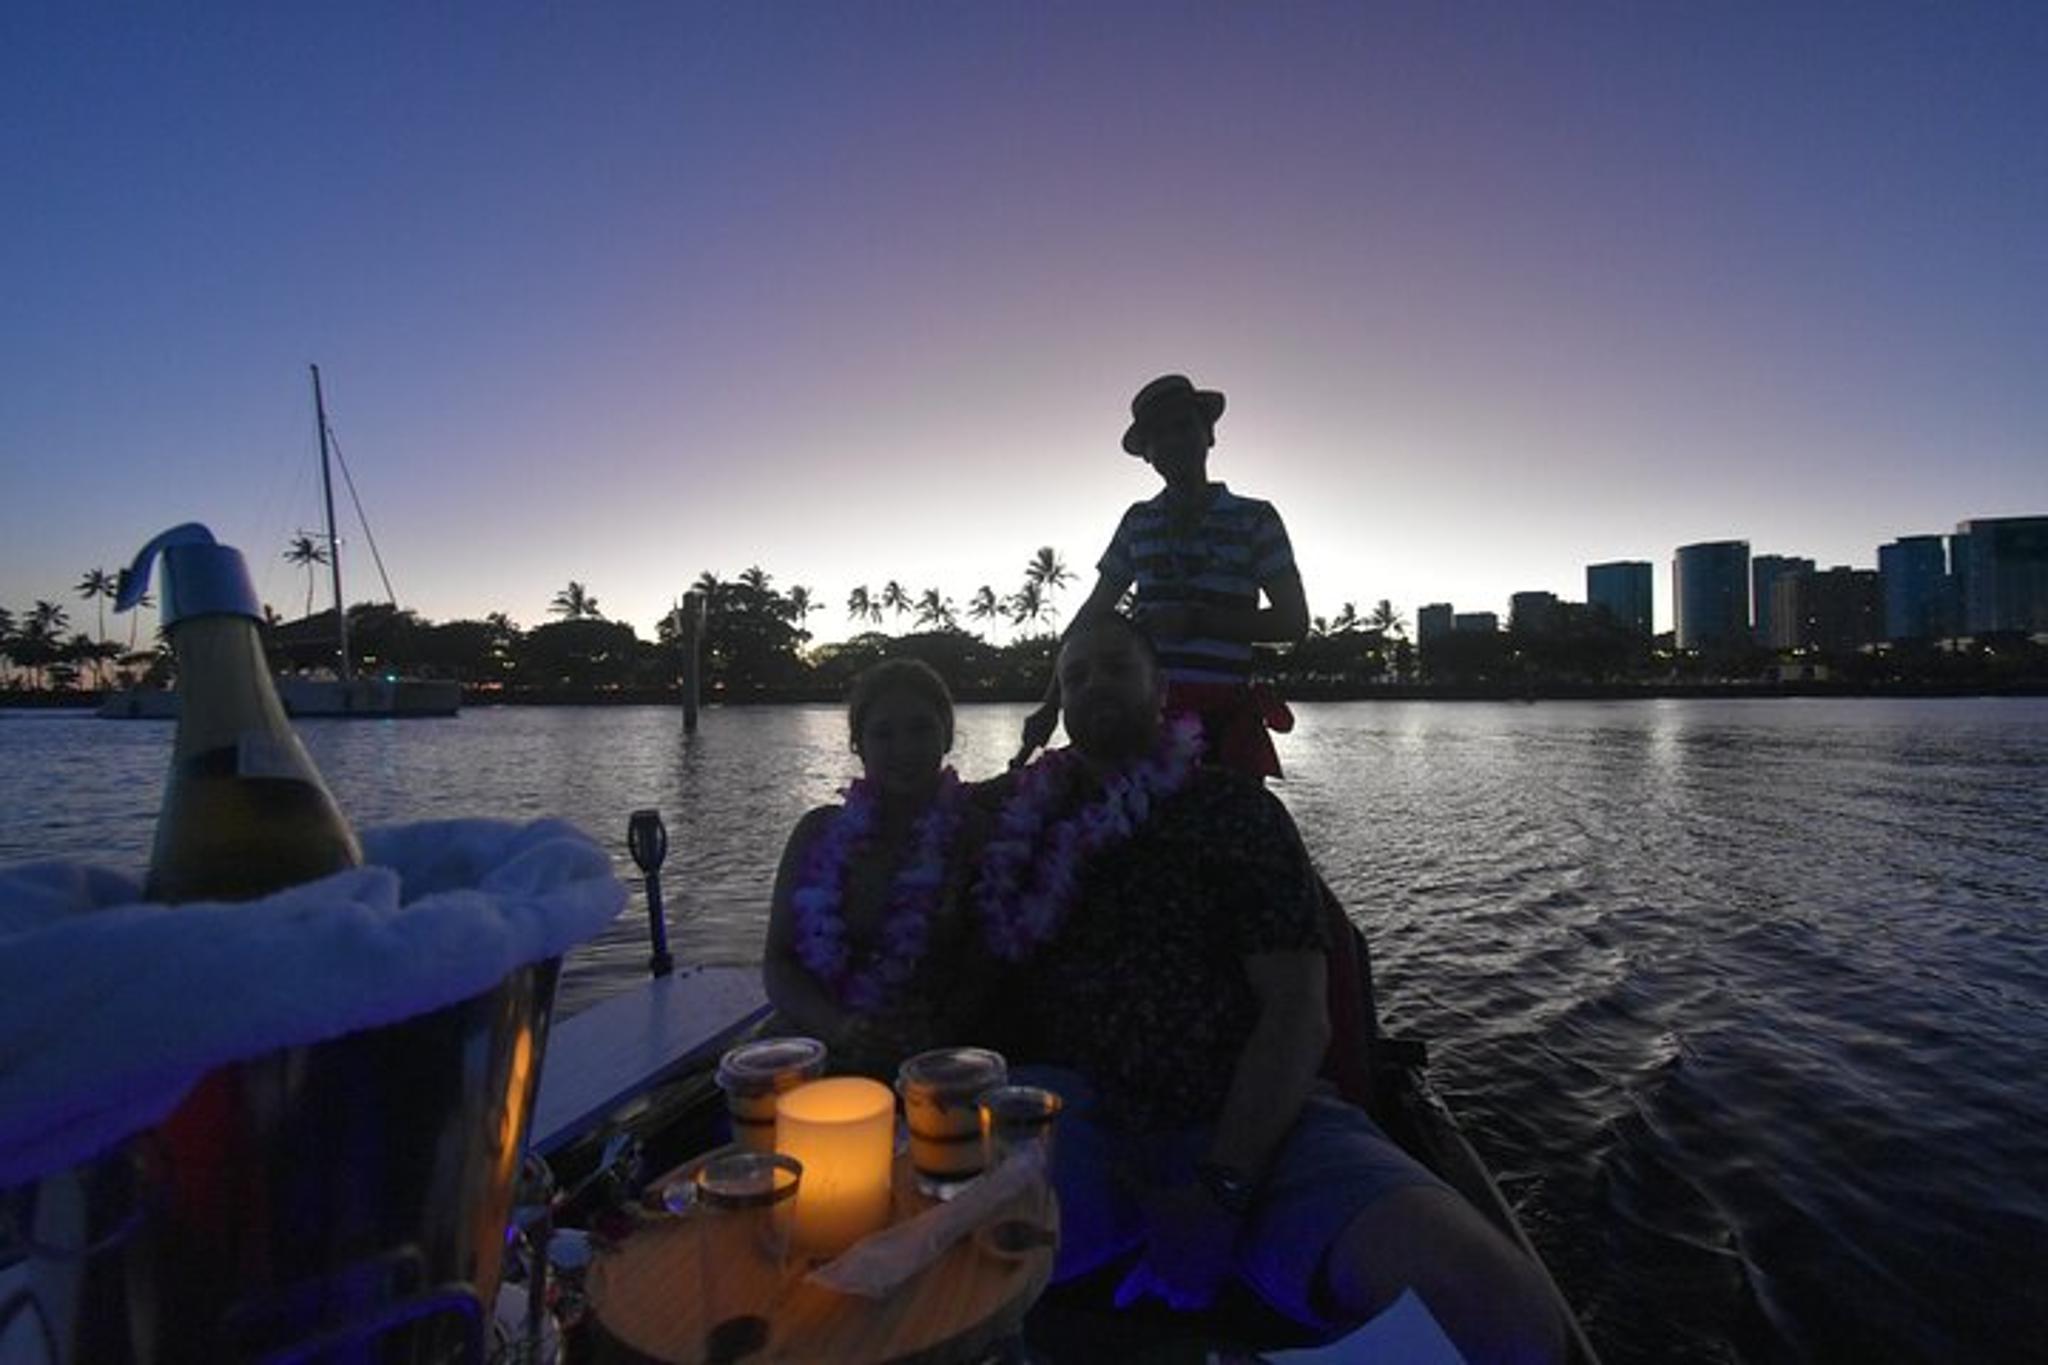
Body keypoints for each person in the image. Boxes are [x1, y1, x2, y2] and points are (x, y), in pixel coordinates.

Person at [983, 616, 1567, 1363]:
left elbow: (1298, 1012)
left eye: (1113, 668)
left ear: (1161, 691)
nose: (1092, 684)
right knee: (884, 1239)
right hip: (1074, 1115)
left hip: (1261, 1118)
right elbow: (897, 813)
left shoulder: (1239, 813)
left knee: (1507, 1318)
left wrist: (1224, 1185)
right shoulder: (1011, 816)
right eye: (1074, 676)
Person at [1015, 373, 1310, 779]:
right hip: (1141, 725)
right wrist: (1050, 706)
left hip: (1226, 727)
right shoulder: (1138, 522)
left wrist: (1198, 621)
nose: (1174, 441)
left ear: (1208, 435)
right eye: (1159, 436)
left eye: (1184, 426)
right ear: (1148, 455)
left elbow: (1293, 622)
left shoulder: (1256, 518)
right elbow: (1093, 615)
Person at [763, 658, 986, 1077]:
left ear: (948, 735)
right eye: (883, 733)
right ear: (859, 745)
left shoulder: (978, 838)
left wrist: (926, 1041)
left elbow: (988, 973)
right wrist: (840, 1028)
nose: (903, 749)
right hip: (816, 1043)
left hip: (934, 1061)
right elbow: (778, 961)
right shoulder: (816, 832)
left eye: (921, 729)